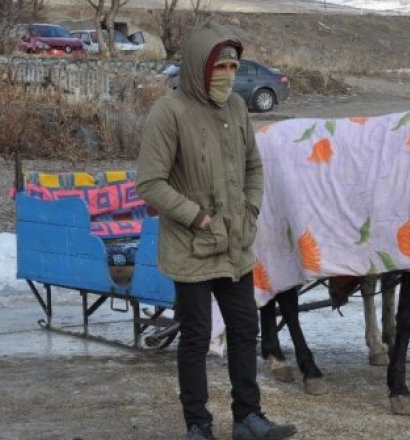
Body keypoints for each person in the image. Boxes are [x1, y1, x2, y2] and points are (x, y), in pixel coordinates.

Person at [136, 20, 296, 440]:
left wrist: (251, 207)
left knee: (246, 329)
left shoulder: (238, 109)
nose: (228, 74)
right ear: (197, 68)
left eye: (233, 66)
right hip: (191, 247)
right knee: (196, 337)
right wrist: (195, 215)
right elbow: (150, 182)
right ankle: (198, 425)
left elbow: (253, 165)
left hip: (236, 244)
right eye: (219, 66)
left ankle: (248, 417)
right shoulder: (168, 112)